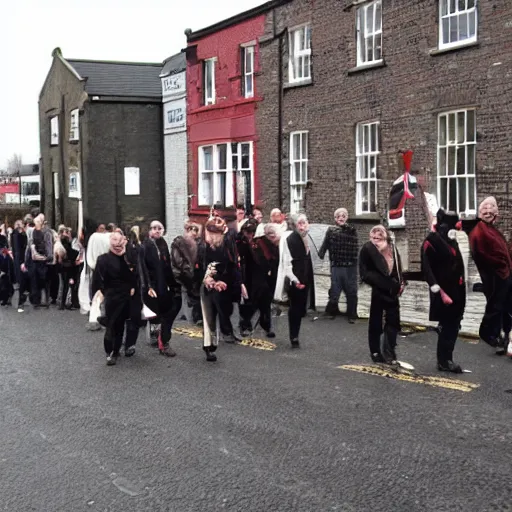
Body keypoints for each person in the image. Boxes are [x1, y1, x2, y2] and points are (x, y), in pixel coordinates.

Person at [421, 210, 466, 373]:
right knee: (448, 326)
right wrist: (440, 292)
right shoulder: (431, 240)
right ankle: (444, 361)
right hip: (444, 291)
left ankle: (447, 358)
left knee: (454, 325)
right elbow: (426, 269)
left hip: (458, 290)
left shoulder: (451, 239)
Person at [468, 197, 512, 352]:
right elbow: (480, 254)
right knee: (496, 308)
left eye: (491, 209)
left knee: (505, 308)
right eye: (484, 210)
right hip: (495, 278)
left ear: (496, 213)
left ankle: (504, 338)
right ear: (480, 213)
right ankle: (490, 335)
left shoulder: (492, 229)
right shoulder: (478, 231)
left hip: (504, 276)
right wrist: (501, 266)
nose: (488, 212)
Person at [201, 216, 244, 362]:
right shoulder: (205, 247)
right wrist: (212, 280)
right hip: (209, 285)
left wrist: (240, 283)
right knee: (209, 317)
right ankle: (209, 348)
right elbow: (205, 267)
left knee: (225, 310)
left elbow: (232, 264)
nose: (218, 236)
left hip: (225, 283)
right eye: (215, 233)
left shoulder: (225, 245)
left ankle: (227, 333)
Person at [359, 225, 404, 364]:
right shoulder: (367, 249)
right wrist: (383, 283)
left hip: (392, 291)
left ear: (385, 236)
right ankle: (375, 351)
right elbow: (364, 273)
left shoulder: (392, 248)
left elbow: (398, 268)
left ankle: (389, 353)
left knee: (393, 322)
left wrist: (401, 282)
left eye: (379, 235)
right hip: (379, 290)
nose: (376, 238)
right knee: (376, 322)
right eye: (374, 236)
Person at [92, 232, 137, 365]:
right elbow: (97, 279)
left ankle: (116, 351)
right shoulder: (103, 259)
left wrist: (133, 286)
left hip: (126, 296)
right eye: (114, 240)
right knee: (111, 324)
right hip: (111, 296)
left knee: (120, 325)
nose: (117, 244)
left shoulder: (128, 258)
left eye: (120, 240)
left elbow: (134, 275)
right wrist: (99, 292)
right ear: (109, 242)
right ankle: (110, 351)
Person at [274, 214, 315, 348]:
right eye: (300, 224)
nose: (303, 227)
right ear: (295, 226)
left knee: (301, 308)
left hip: (306, 277)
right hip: (295, 278)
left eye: (305, 223)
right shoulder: (290, 239)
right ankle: (294, 336)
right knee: (295, 308)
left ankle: (295, 333)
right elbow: (287, 263)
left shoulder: (308, 238)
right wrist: (295, 280)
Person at [140, 220, 180, 357]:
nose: (157, 230)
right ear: (149, 230)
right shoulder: (145, 245)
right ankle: (155, 334)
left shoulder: (163, 244)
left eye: (160, 228)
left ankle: (162, 339)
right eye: (154, 228)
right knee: (153, 311)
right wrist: (148, 285)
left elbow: (167, 265)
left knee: (165, 311)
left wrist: (173, 284)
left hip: (162, 284)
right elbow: (143, 268)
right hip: (151, 284)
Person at [318, 208, 359, 322]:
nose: (341, 218)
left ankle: (352, 314)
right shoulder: (331, 230)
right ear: (335, 218)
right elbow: (326, 243)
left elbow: (355, 247)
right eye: (338, 216)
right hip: (336, 265)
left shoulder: (352, 230)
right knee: (335, 289)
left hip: (350, 265)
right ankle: (331, 311)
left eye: (343, 215)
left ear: (347, 217)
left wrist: (357, 265)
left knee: (351, 290)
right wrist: (321, 254)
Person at [171, 221, 203, 326]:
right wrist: (189, 271)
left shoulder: (198, 243)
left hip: (192, 273)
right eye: (191, 230)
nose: (193, 233)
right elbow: (178, 261)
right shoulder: (178, 243)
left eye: (195, 230)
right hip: (181, 273)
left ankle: (197, 314)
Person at [11, 220, 28, 312]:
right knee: (21, 279)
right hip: (20, 259)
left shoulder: (14, 235)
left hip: (17, 259)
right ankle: (21, 300)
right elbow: (20, 249)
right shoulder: (19, 235)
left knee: (20, 279)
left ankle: (21, 299)